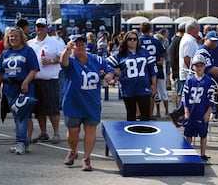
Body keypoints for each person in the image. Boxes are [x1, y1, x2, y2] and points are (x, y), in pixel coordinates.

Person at [60, 34, 114, 171]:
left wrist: (110, 75)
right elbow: (63, 62)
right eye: (76, 44)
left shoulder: (97, 59)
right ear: (72, 47)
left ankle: (87, 157)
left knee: (90, 130)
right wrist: (66, 50)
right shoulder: (71, 60)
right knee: (73, 132)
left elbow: (110, 69)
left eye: (82, 44)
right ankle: (73, 151)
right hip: (73, 102)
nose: (80, 47)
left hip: (92, 102)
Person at [0, 27, 39, 154]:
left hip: (24, 89)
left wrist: (26, 82)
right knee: (16, 117)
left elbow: (34, 69)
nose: (13, 38)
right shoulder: (5, 53)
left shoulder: (28, 51)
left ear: (21, 38)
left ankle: (20, 142)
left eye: (15, 36)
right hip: (9, 89)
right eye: (10, 36)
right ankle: (24, 143)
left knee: (22, 117)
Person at [28, 18, 65, 144]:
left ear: (47, 28)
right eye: (38, 27)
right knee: (39, 110)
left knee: (53, 109)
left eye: (42, 27)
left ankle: (56, 133)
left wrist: (51, 61)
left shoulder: (55, 42)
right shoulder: (30, 43)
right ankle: (44, 133)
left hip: (50, 80)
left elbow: (64, 57)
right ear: (35, 28)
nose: (40, 29)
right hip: (35, 80)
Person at [107, 31, 157, 121]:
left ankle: (145, 134)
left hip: (143, 87)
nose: (132, 41)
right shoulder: (121, 54)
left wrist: (154, 85)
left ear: (138, 40)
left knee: (145, 115)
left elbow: (153, 69)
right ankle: (131, 135)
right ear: (126, 41)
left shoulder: (144, 52)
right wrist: (115, 72)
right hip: (128, 87)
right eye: (130, 39)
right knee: (131, 115)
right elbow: (106, 63)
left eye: (135, 39)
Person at [181, 54, 215, 162]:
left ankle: (203, 154)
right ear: (193, 67)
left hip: (202, 110)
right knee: (188, 133)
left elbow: (211, 99)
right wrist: (186, 111)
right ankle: (188, 152)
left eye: (201, 65)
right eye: (196, 65)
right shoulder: (190, 80)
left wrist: (208, 112)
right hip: (191, 110)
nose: (199, 67)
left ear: (204, 66)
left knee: (203, 134)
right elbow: (185, 97)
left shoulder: (208, 81)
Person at [169, 20, 200, 126]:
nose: (199, 32)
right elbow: (187, 58)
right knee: (188, 98)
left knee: (186, 97)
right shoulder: (190, 41)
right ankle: (178, 113)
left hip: (185, 73)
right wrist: (194, 72)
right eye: (197, 29)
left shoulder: (186, 38)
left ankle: (179, 114)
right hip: (188, 75)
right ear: (193, 29)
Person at [139, 22, 166, 118]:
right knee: (152, 92)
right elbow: (164, 52)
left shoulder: (138, 40)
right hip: (154, 68)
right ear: (150, 30)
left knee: (139, 91)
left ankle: (138, 113)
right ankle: (149, 114)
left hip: (141, 69)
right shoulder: (156, 41)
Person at [169, 22, 185, 109]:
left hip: (175, 70)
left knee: (179, 93)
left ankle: (178, 112)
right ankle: (178, 112)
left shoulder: (174, 39)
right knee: (180, 93)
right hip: (179, 71)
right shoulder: (180, 40)